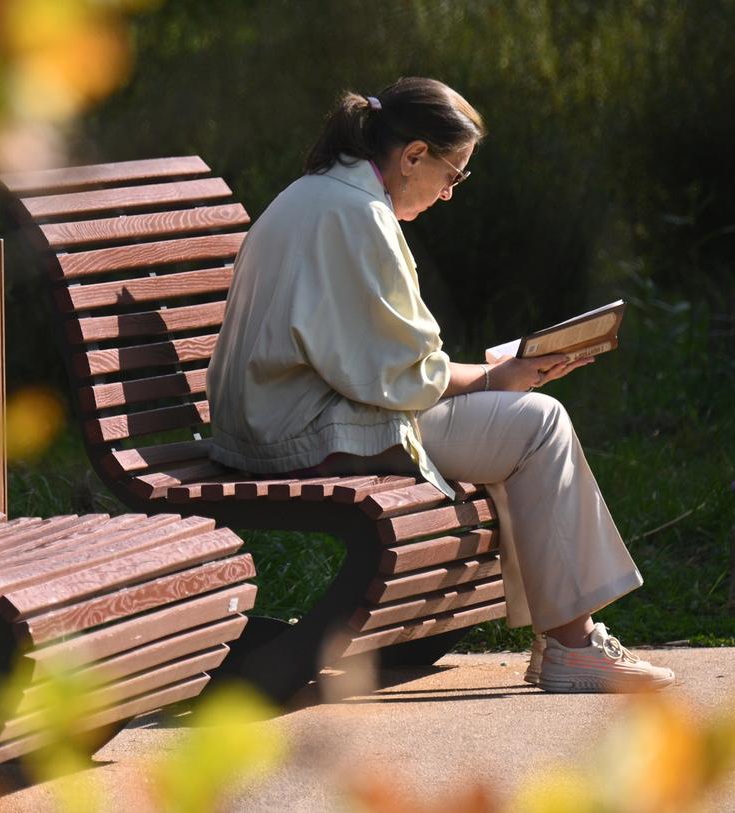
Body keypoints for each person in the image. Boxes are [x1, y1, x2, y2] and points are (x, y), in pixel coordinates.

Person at [206, 76, 673, 693]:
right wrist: (498, 376)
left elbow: (382, 363)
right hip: (302, 431)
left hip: (278, 418)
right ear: (414, 155)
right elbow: (405, 374)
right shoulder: (358, 215)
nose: (449, 194)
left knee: (518, 418)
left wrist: (496, 379)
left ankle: (567, 642)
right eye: (452, 175)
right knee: (538, 424)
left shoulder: (322, 193)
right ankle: (571, 645)